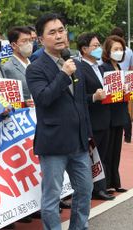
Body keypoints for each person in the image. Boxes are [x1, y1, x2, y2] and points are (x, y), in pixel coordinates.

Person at [26, 13, 93, 230]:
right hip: (54, 143)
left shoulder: (74, 62)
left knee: (85, 189)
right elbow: (43, 99)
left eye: (61, 30)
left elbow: (80, 101)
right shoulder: (35, 68)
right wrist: (63, 74)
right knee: (52, 196)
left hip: (79, 142)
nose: (59, 36)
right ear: (41, 39)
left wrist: (87, 133)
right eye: (52, 32)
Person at [77, 32, 115, 200]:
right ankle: (95, 189)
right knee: (93, 156)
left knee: (104, 154)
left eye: (99, 45)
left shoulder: (99, 67)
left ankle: (102, 186)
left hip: (105, 117)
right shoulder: (80, 69)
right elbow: (78, 97)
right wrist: (94, 97)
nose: (99, 48)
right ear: (84, 49)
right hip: (92, 119)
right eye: (95, 46)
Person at [100, 35, 128, 193]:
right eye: (115, 49)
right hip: (108, 114)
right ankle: (105, 184)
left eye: (121, 49)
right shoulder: (103, 67)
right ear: (108, 50)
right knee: (107, 151)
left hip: (119, 113)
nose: (119, 52)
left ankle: (115, 182)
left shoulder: (120, 68)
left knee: (116, 150)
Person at [110, 27, 132, 143]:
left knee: (118, 108)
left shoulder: (112, 50)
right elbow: (131, 68)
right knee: (124, 109)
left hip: (116, 80)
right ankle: (127, 135)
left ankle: (119, 132)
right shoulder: (129, 51)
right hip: (125, 80)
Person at [3, 26, 34, 107]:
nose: (29, 44)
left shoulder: (34, 64)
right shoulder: (7, 68)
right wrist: (23, 103)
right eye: (24, 41)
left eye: (30, 40)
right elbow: (8, 98)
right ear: (13, 45)